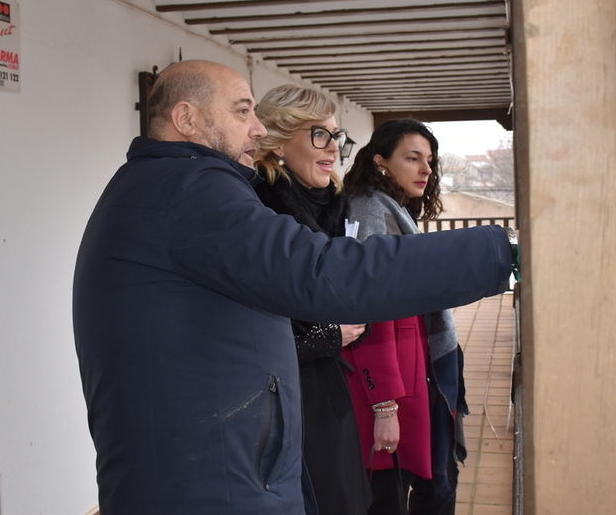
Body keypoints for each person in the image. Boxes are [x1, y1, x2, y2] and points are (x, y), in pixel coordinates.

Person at [72, 60, 513, 515]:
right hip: (211, 486)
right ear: (188, 119)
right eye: (242, 111)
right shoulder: (190, 189)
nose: (257, 129)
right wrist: (499, 254)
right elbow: (323, 273)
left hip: (210, 472)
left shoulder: (163, 186)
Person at [253, 84, 371, 515]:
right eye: (318, 134)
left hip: (324, 387)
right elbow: (247, 327)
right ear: (279, 140)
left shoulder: (332, 205)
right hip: (279, 398)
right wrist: (324, 337)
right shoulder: (259, 209)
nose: (334, 150)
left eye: (335, 136)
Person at [342, 119, 469, 515]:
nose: (426, 170)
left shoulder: (389, 205)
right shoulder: (369, 208)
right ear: (380, 162)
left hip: (421, 361)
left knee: (433, 479)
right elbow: (370, 308)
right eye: (413, 158)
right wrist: (387, 405)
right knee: (417, 486)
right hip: (405, 370)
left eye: (429, 160)